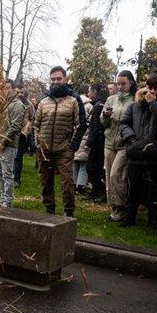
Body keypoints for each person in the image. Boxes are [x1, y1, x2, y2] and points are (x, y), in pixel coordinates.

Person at [119, 73, 157, 226]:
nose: (152, 91)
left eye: (156, 88)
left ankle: (153, 219)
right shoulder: (136, 105)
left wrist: (153, 104)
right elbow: (124, 123)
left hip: (156, 153)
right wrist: (131, 140)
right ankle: (130, 217)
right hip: (136, 151)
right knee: (134, 186)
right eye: (150, 88)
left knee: (154, 189)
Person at [34, 66, 87, 217]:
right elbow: (35, 124)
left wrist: (72, 146)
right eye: (53, 79)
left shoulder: (73, 100)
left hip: (64, 149)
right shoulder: (44, 101)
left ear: (65, 79)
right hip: (44, 149)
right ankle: (49, 209)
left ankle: (68, 212)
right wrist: (37, 144)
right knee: (45, 180)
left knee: (67, 182)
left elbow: (81, 124)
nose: (56, 82)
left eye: (59, 79)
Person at [101, 70, 136, 221]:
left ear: (131, 83)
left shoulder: (135, 100)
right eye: (118, 83)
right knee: (109, 176)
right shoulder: (111, 99)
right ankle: (114, 207)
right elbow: (102, 122)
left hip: (124, 144)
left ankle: (121, 207)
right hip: (109, 141)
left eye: (123, 84)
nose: (120, 87)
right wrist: (105, 116)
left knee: (118, 175)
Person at [0, 79, 26, 208]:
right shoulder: (4, 104)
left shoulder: (17, 105)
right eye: (3, 88)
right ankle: (3, 197)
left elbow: (15, 126)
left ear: (13, 89)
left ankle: (7, 201)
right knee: (0, 172)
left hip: (9, 143)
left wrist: (3, 141)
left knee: (7, 173)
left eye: (8, 88)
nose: (5, 91)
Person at [85, 83, 108, 202]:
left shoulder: (99, 106)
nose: (88, 94)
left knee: (92, 167)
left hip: (97, 141)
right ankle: (95, 192)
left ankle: (99, 192)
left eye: (89, 91)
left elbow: (96, 126)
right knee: (94, 168)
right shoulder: (99, 104)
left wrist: (89, 142)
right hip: (99, 140)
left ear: (95, 91)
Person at [73, 85, 93, 194]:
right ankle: (80, 186)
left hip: (76, 135)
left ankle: (73, 184)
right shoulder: (90, 106)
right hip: (86, 136)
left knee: (74, 163)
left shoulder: (74, 103)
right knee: (83, 164)